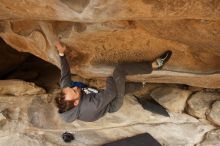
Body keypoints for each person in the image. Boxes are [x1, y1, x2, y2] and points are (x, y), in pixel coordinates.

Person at [55, 41, 172, 122]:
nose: (75, 87)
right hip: (112, 104)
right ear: (76, 103)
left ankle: (141, 84)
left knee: (121, 86)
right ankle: (154, 66)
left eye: (71, 88)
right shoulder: (91, 106)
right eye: (75, 91)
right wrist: (109, 79)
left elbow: (65, 74)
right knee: (119, 72)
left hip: (98, 95)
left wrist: (61, 53)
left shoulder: (66, 94)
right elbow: (111, 93)